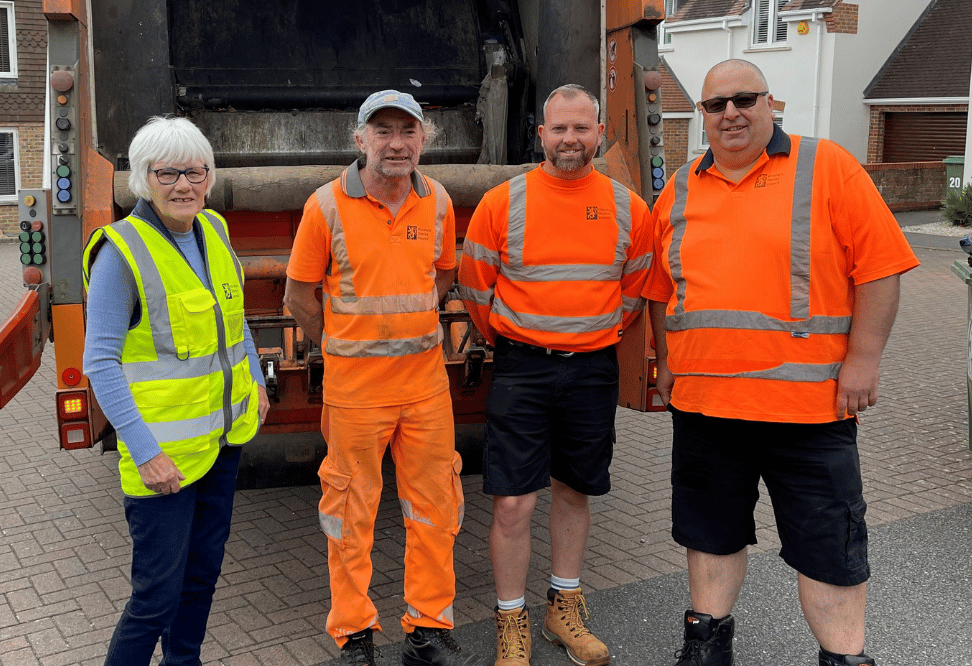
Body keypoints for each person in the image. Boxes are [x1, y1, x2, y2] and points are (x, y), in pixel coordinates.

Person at [642, 59, 920, 666]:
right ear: (704, 117)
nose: (730, 114)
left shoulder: (828, 168)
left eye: (744, 100)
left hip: (810, 411)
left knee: (829, 549)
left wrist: (864, 359)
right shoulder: (681, 187)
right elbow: (662, 289)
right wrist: (666, 358)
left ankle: (844, 658)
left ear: (772, 105)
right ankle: (706, 647)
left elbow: (880, 269)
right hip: (706, 409)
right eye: (716, 105)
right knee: (709, 537)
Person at [458, 83, 653, 666]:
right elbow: (475, 287)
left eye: (581, 127)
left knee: (575, 490)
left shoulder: (628, 208)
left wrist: (586, 336)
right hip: (522, 368)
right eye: (559, 129)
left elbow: (634, 291)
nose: (570, 138)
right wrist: (519, 338)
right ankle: (511, 618)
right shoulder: (502, 203)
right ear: (540, 135)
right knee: (514, 504)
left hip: (592, 371)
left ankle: (562, 607)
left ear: (599, 133)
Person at [284, 90, 481, 666]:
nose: (396, 143)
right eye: (383, 131)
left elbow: (443, 276)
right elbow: (299, 296)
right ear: (359, 139)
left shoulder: (438, 200)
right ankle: (354, 634)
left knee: (435, 509)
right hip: (355, 396)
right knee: (350, 516)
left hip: (424, 389)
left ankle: (426, 629)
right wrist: (342, 348)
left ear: (425, 139)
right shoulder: (324, 206)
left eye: (408, 131)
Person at [82, 116, 270, 666]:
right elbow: (100, 362)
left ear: (208, 176)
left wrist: (255, 380)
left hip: (220, 446)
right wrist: (145, 452)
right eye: (167, 173)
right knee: (154, 598)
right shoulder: (122, 252)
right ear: (143, 178)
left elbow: (233, 324)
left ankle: (183, 662)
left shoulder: (213, 229)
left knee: (202, 577)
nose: (184, 184)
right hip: (161, 464)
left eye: (195, 171)